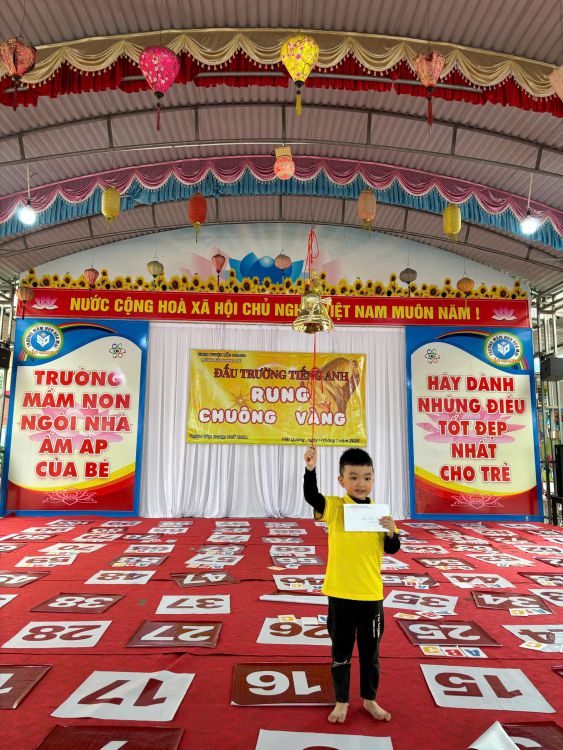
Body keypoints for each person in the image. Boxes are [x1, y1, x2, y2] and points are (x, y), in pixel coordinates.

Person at [303, 445, 400, 724]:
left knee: (371, 654)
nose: (361, 483)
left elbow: (393, 548)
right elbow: (311, 496)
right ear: (341, 480)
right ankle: (341, 701)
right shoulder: (335, 507)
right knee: (341, 652)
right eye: (354, 477)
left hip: (371, 596)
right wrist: (310, 469)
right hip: (340, 594)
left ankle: (370, 699)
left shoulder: (380, 514)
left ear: (373, 480)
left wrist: (391, 532)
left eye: (367, 477)